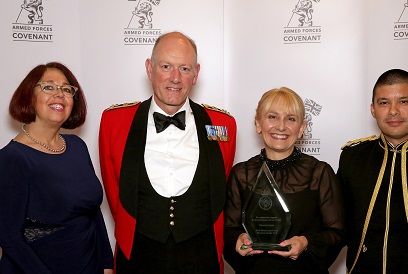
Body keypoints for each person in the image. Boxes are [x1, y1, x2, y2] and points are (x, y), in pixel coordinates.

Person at [98, 31, 236, 273]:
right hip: (137, 256)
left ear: (196, 74)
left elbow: (219, 186)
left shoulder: (223, 125)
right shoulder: (114, 122)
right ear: (150, 69)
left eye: (184, 69)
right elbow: (114, 191)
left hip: (202, 257)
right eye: (166, 66)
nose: (175, 78)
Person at [0, 62, 114, 273]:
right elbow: (10, 238)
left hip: (90, 266)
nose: (59, 94)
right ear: (29, 96)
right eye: (49, 87)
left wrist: (107, 264)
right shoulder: (12, 158)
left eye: (66, 89)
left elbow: (92, 212)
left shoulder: (76, 146)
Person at [338, 68, 408, 274]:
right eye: (384, 102)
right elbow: (335, 227)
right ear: (373, 109)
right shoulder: (352, 157)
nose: (393, 111)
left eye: (404, 101)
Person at [224, 87, 345, 274]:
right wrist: (238, 239)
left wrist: (306, 242)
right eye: (272, 117)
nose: (281, 126)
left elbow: (338, 232)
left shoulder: (319, 173)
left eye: (291, 119)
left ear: (301, 129)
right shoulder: (241, 174)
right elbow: (227, 230)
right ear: (258, 123)